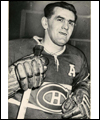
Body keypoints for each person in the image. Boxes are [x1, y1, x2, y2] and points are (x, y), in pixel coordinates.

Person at [8, 1, 90, 119]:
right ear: (45, 23)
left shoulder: (78, 57)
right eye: (60, 19)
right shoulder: (13, 48)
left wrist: (84, 92)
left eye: (70, 22)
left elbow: (83, 84)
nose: (66, 27)